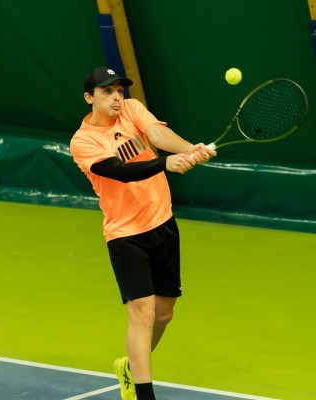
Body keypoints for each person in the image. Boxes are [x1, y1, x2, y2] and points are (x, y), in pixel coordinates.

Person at [69, 67, 217, 400]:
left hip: (163, 223)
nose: (116, 97)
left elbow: (159, 136)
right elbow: (119, 171)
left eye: (119, 90)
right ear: (89, 98)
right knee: (143, 314)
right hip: (125, 235)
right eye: (107, 91)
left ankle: (131, 366)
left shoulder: (131, 109)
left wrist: (190, 149)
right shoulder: (83, 141)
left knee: (164, 313)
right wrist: (165, 164)